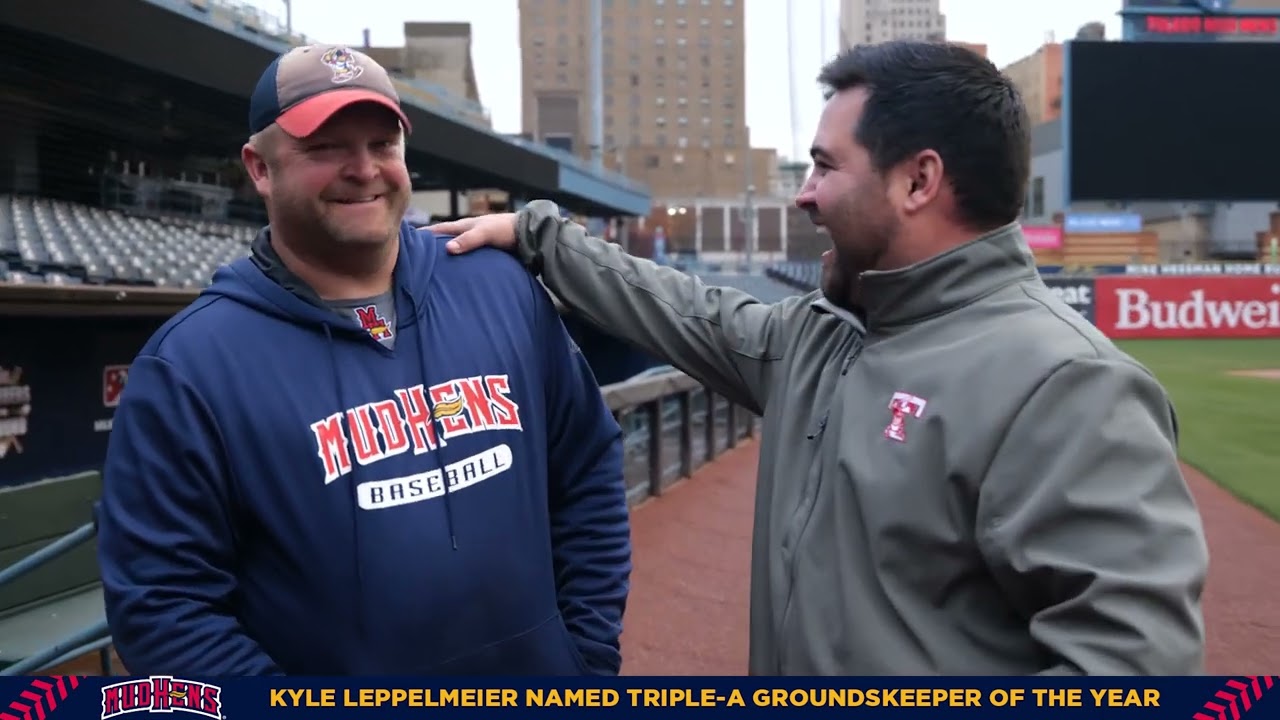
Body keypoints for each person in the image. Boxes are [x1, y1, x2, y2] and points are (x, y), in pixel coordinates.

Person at [428, 41, 1209, 675]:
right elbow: (688, 310)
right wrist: (539, 236)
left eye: (826, 167)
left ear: (919, 180)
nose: (805, 194)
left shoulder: (1067, 384)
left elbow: (1137, 667)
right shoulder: (824, 333)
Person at [97, 43, 631, 676]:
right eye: (325, 148)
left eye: (383, 144)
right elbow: (163, 609)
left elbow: (588, 467)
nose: (364, 168)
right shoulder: (189, 366)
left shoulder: (500, 287)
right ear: (260, 168)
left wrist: (588, 658)